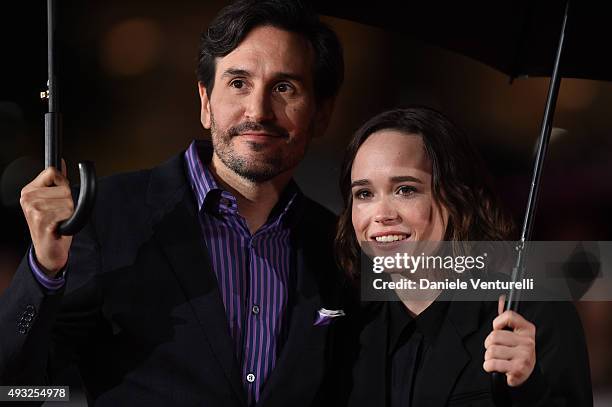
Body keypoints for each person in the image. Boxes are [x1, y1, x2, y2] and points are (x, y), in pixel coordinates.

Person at [0, 1, 347, 406]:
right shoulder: (103, 215)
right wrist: (43, 272)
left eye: (284, 88)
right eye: (238, 83)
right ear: (205, 101)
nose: (258, 110)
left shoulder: (337, 246)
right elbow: (15, 388)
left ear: (322, 113)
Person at [333, 107, 593, 406]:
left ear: (458, 198)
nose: (381, 215)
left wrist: (528, 388)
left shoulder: (533, 314)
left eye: (406, 190)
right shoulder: (345, 323)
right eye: (364, 194)